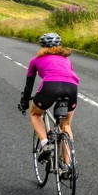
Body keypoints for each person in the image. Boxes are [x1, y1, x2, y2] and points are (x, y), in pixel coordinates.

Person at [19, 32, 79, 161]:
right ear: (59, 46)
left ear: (42, 46)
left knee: (35, 114)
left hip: (50, 87)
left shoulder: (36, 59)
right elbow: (68, 75)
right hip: (72, 87)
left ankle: (46, 144)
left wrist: (24, 102)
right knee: (66, 125)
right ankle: (67, 167)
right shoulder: (66, 59)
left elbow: (29, 85)